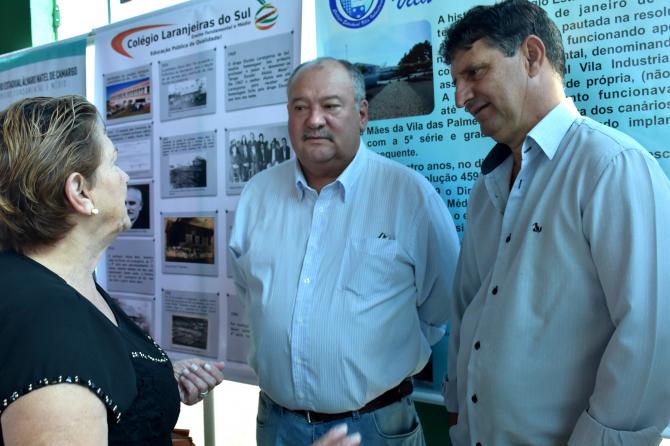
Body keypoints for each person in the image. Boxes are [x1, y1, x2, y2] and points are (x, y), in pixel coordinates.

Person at [440, 1, 670, 444]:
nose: (460, 97)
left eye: (474, 72)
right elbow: (467, 310)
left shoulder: (610, 166)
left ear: (531, 56)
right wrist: (455, 414)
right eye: (456, 81)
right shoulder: (486, 188)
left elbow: (655, 336)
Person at [229, 57, 460, 445]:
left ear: (362, 113)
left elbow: (442, 306)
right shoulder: (257, 195)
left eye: (330, 105)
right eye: (300, 107)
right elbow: (248, 292)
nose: (314, 120)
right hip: (278, 425)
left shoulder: (408, 196)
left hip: (375, 426)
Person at [0, 95, 225, 445]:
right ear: (80, 192)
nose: (125, 176)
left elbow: (96, 372)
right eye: (113, 163)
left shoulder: (64, 284)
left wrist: (154, 377)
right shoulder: (48, 317)